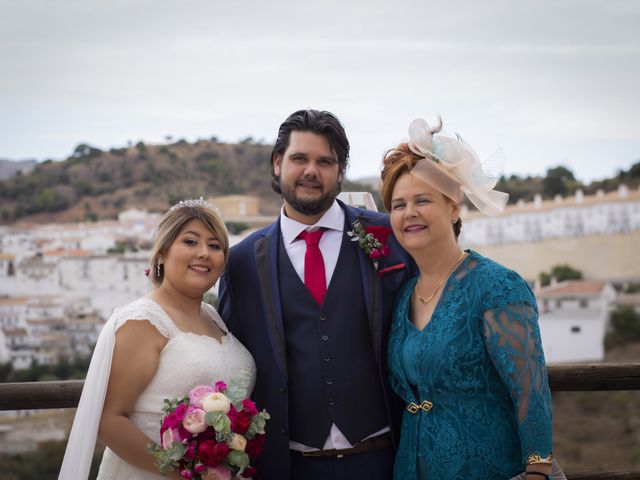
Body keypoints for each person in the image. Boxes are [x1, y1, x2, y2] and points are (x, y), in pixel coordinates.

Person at [218, 109, 416, 480]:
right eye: (299, 158)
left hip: (384, 461)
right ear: (278, 164)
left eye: (325, 161)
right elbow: (232, 364)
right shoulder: (241, 263)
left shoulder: (389, 235)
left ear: (340, 171)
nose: (311, 170)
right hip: (288, 468)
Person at [380, 118, 554, 480]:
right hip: (412, 469)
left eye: (422, 200)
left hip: (486, 468)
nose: (409, 212)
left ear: (454, 206)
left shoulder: (497, 287)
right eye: (398, 205)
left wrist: (538, 469)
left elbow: (531, 390)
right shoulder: (403, 295)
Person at [59, 199, 256, 480]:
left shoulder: (213, 316)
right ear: (162, 252)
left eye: (215, 246)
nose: (204, 253)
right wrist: (184, 473)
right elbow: (109, 421)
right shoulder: (142, 321)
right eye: (190, 242)